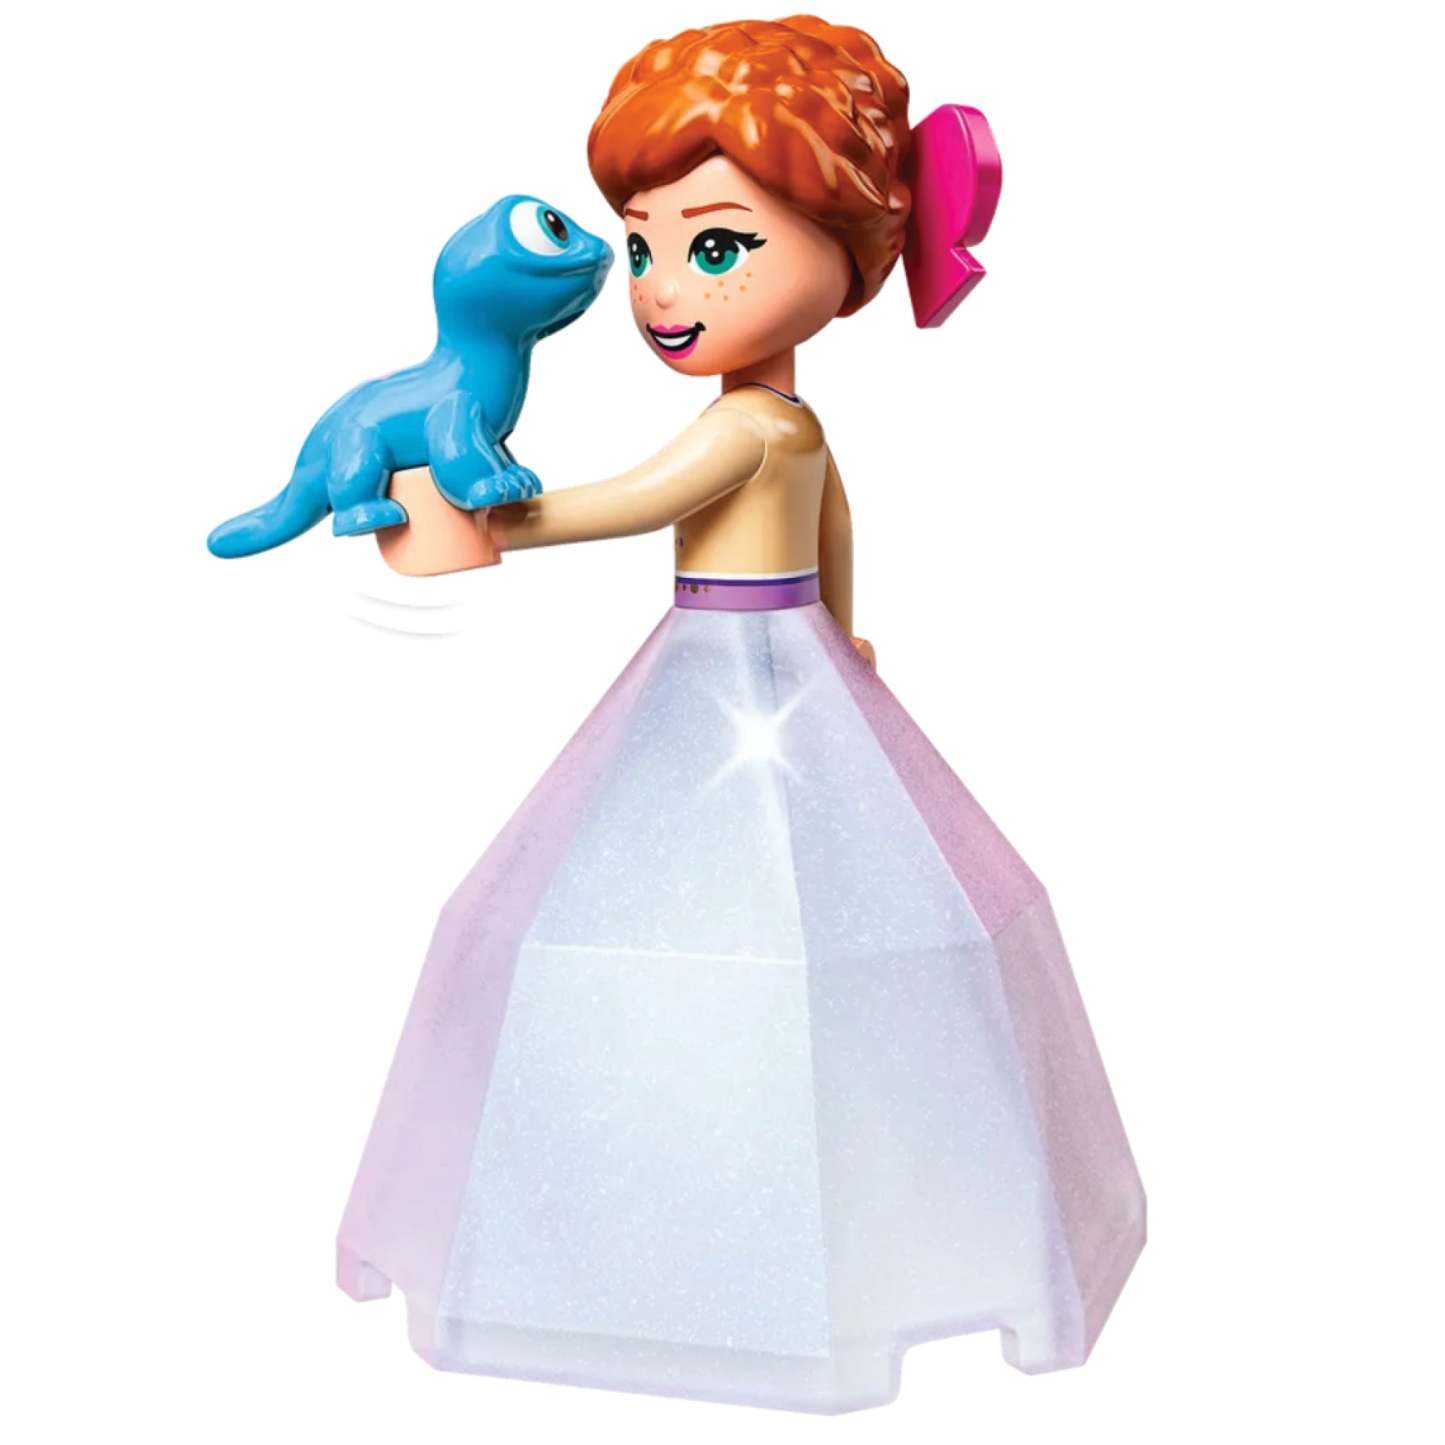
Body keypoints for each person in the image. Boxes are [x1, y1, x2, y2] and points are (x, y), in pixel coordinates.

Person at [339, 17, 1144, 1412]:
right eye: (641, 245)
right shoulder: (795, 427)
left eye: (716, 247)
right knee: (743, 930)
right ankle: (721, 1203)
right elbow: (835, 531)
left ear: (848, 254)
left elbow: (636, 502)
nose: (660, 288)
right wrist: (848, 627)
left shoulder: (749, 426)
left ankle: (737, 1237)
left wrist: (496, 518)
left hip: (747, 668)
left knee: (747, 932)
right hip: (758, 664)